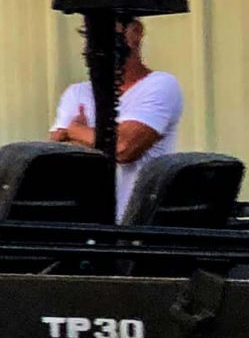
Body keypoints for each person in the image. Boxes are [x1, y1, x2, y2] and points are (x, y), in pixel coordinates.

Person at [44, 16, 185, 217]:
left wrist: (76, 130)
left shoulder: (160, 85)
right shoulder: (76, 93)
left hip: (135, 224)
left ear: (135, 32)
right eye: (90, 36)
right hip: (83, 224)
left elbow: (123, 148)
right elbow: (59, 152)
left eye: (109, 33)